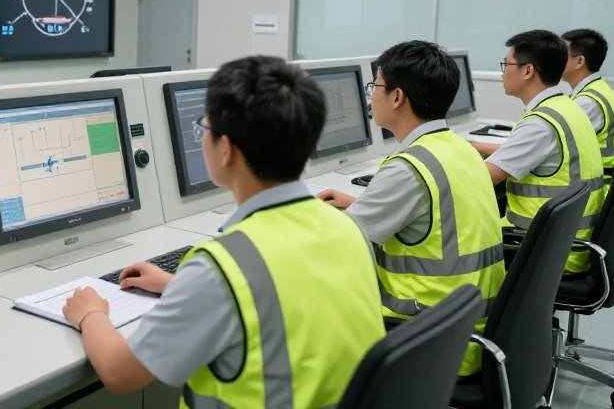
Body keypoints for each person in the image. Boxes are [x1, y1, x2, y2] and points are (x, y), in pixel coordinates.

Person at [62, 56, 384, 406]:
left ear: (226, 149)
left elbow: (120, 373)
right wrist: (180, 287)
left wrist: (90, 313)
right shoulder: (345, 226)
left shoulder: (221, 268)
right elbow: (286, 296)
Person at [317, 41, 504, 376]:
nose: (370, 96)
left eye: (375, 86)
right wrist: (366, 204)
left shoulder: (408, 168)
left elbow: (339, 245)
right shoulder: (460, 150)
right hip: (467, 325)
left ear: (397, 97)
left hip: (428, 337)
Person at [471, 30, 605, 273]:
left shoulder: (541, 123)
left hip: (546, 252)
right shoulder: (566, 107)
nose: (503, 71)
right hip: (564, 241)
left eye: (506, 64)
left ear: (528, 71)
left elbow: (479, 180)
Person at [562, 28, 614, 195]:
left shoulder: (588, 102)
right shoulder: (601, 90)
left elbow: (551, 146)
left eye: (561, 54)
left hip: (595, 193)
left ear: (579, 61)